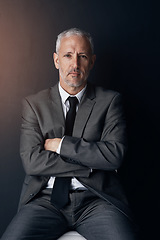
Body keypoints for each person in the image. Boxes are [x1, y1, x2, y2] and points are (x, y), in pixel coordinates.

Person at [1, 28, 137, 240]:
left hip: (97, 201)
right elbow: (32, 163)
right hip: (44, 202)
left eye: (82, 56)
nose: (75, 65)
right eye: (68, 55)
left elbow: (114, 156)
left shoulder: (110, 102)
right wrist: (92, 164)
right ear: (56, 60)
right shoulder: (34, 105)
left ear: (91, 62)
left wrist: (60, 146)